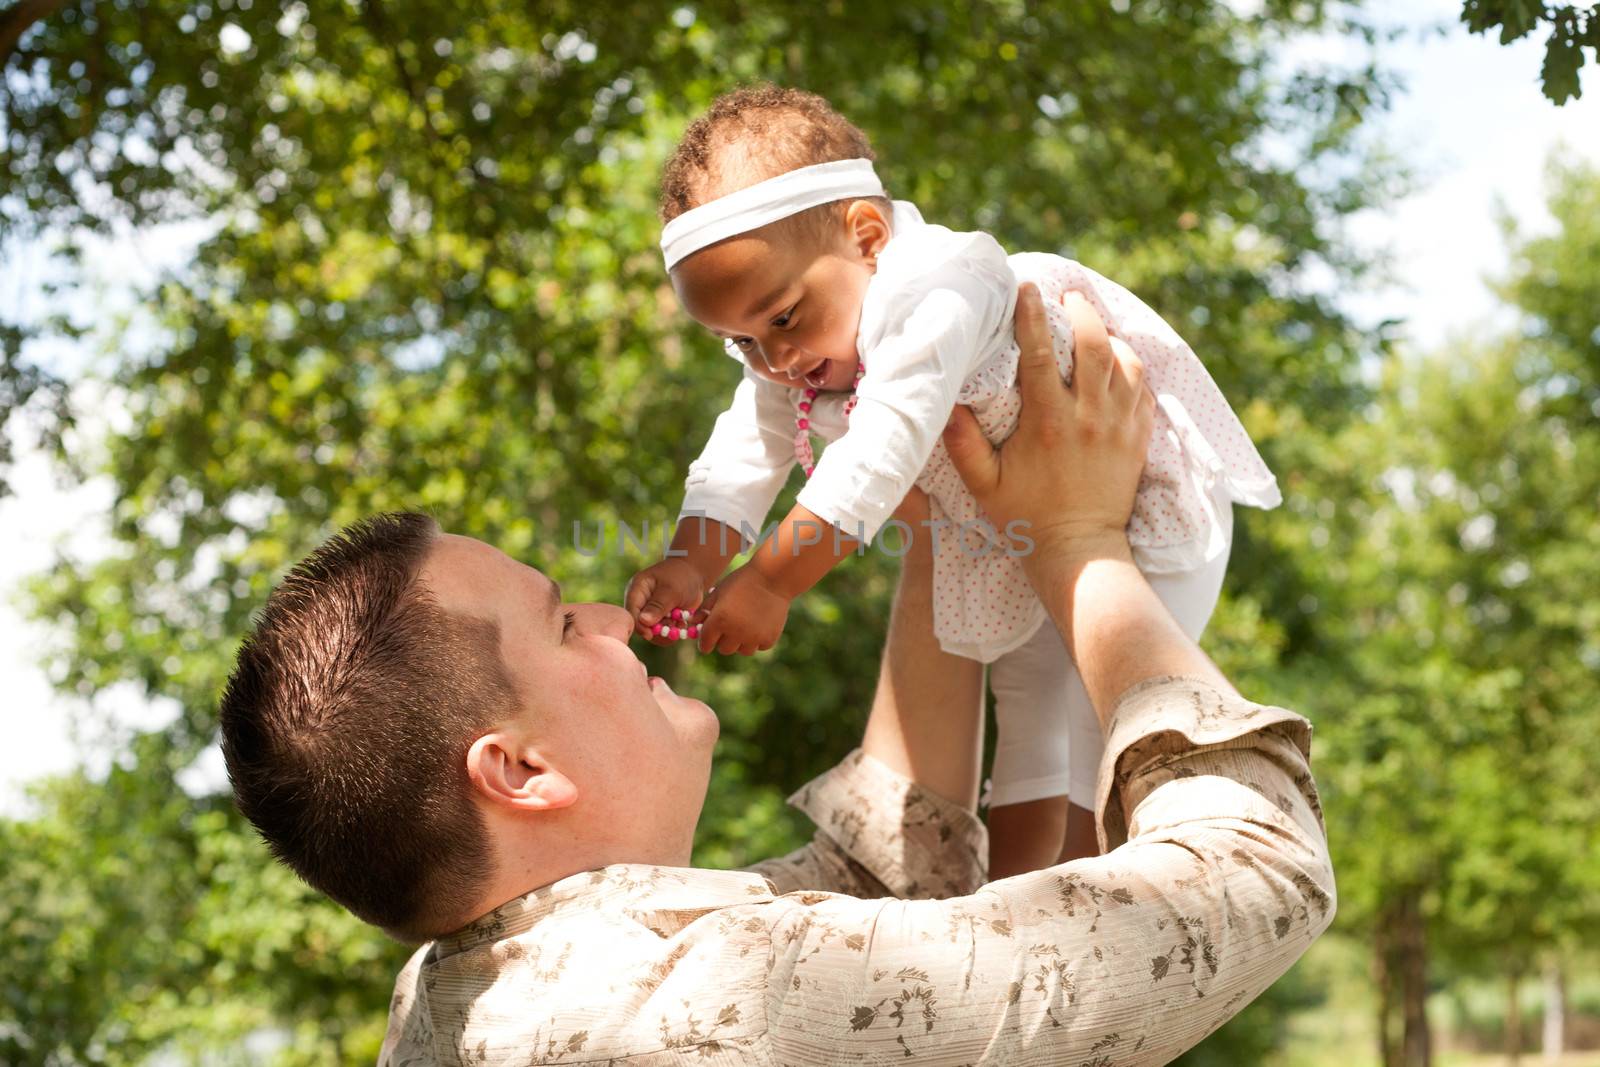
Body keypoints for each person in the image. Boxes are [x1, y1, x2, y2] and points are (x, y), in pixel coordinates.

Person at [218, 285, 1333, 1065]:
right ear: (516, 766)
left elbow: (889, 878)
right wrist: (1082, 539)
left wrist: (946, 504)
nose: (613, 617)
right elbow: (1253, 878)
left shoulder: (471, 995)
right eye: (563, 626)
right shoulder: (714, 1008)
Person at [624, 86, 1281, 876]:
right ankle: (1018, 900)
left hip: (1133, 506)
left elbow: (883, 446)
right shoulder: (796, 350)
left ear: (867, 235)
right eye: (739, 343)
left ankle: (1101, 890)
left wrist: (771, 578)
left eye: (783, 320)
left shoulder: (938, 284)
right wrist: (692, 560)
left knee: (1090, 710)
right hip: (1007, 533)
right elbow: (743, 448)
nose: (772, 361)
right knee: (1028, 699)